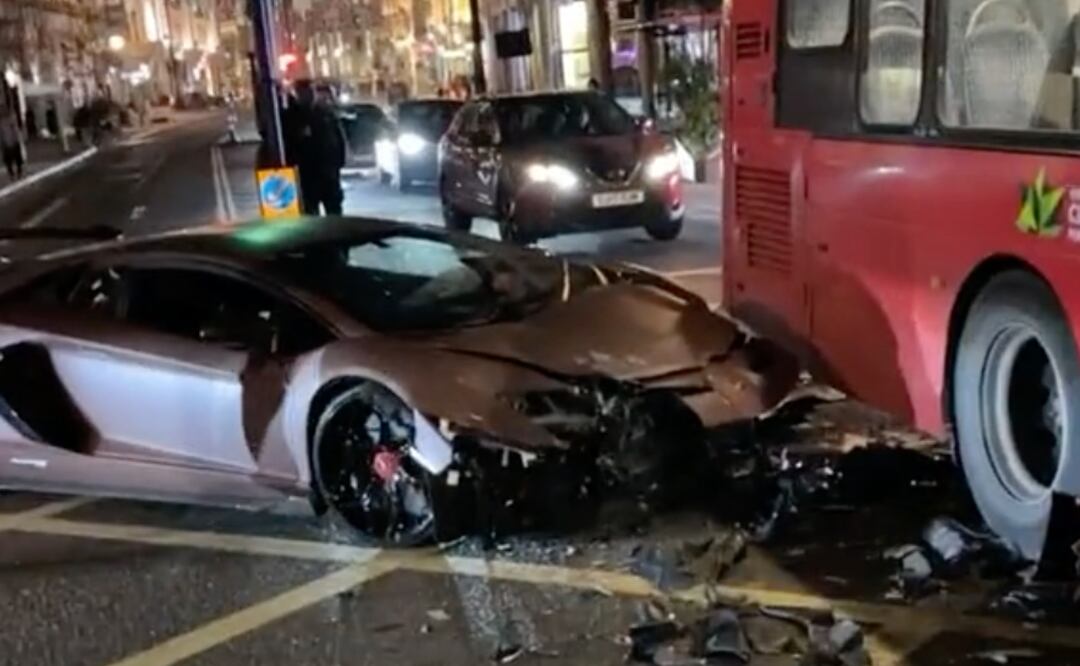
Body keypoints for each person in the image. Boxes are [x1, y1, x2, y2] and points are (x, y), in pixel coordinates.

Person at [282, 79, 346, 216]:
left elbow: (338, 138)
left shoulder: (325, 113)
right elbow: (288, 146)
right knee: (311, 214)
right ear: (298, 94)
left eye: (312, 92)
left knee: (335, 213)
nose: (310, 95)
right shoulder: (291, 117)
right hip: (307, 176)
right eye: (305, 92)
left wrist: (339, 163)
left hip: (328, 174)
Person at [0, 110, 25, 181]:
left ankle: (15, 174)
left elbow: (15, 131)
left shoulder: (9, 121)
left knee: (14, 160)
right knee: (12, 160)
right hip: (9, 143)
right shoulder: (6, 122)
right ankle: (14, 174)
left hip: (11, 143)